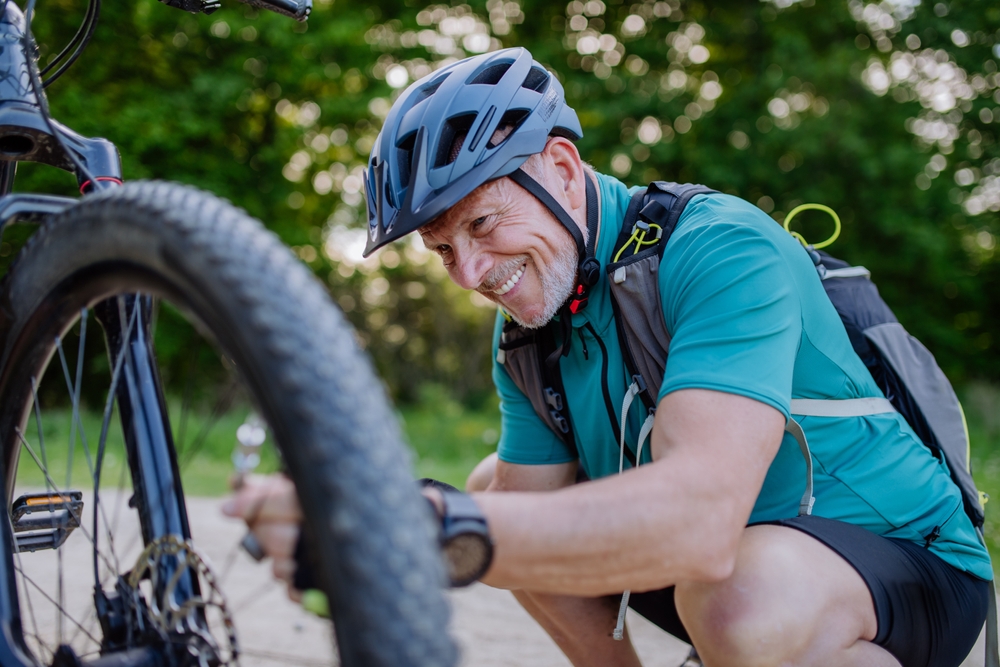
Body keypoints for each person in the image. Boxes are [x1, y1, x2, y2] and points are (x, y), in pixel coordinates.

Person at [223, 47, 992, 667]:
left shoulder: (720, 245)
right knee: (500, 489)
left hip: (905, 566)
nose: (470, 271)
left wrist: (414, 524)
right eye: (442, 249)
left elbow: (699, 523)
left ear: (560, 167)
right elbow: (519, 527)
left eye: (483, 222)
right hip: (730, 562)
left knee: (741, 604)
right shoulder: (528, 331)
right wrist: (391, 505)